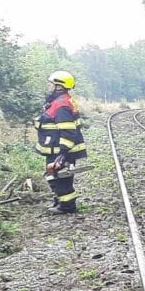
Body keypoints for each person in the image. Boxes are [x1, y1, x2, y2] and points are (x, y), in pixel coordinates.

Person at [35, 71, 87, 214]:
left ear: (59, 86)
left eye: (51, 83)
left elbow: (68, 131)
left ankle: (67, 206)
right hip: (57, 148)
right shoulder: (60, 101)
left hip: (60, 150)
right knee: (56, 176)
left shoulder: (61, 104)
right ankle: (61, 201)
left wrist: (62, 154)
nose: (49, 85)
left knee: (59, 177)